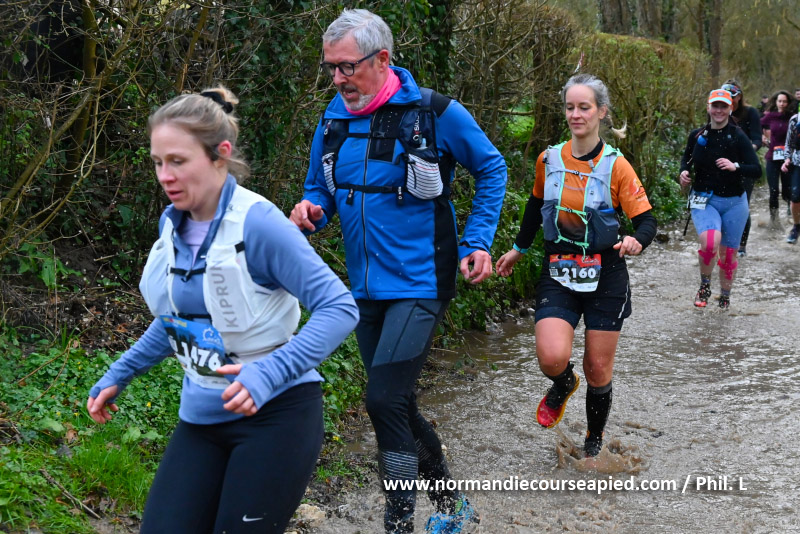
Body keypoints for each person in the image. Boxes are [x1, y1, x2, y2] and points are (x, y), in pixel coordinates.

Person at [87, 87, 359, 533]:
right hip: (201, 417)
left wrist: (268, 373)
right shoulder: (172, 226)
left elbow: (339, 307)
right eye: (158, 162)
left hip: (277, 416)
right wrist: (121, 372)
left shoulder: (259, 224)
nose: (165, 176)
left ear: (220, 155)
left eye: (178, 161)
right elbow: (181, 321)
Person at [289, 9, 506, 533]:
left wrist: (478, 241)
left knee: (383, 398)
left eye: (347, 67)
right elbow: (320, 188)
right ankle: (454, 509)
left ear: (382, 59)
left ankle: (398, 525)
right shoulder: (334, 118)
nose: (337, 79)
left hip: (421, 279)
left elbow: (492, 167)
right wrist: (311, 209)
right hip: (365, 287)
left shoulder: (434, 112)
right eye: (331, 68)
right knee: (398, 404)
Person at [496, 73, 657, 459]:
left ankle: (592, 442)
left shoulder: (617, 166)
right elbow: (536, 205)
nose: (575, 114)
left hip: (607, 276)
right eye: (570, 107)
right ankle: (564, 383)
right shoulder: (549, 159)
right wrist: (519, 248)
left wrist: (637, 240)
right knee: (551, 356)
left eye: (584, 107)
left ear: (601, 112)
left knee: (598, 368)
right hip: (559, 270)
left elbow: (647, 221)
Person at [679, 89, 761, 309]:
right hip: (703, 199)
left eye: (723, 106)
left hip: (734, 202)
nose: (719, 110)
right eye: (715, 106)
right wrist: (683, 173)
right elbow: (686, 160)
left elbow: (756, 169)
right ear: (708, 108)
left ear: (730, 109)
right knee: (709, 242)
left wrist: (736, 166)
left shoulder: (738, 136)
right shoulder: (697, 135)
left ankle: (725, 297)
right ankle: (704, 286)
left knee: (728, 255)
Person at [721, 80, 762, 257]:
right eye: (726, 96)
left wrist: (747, 149)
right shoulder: (718, 111)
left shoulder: (750, 112)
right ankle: (721, 242)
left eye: (732, 96)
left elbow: (757, 138)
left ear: (739, 97)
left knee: (742, 205)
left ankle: (741, 245)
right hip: (722, 165)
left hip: (744, 165)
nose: (729, 100)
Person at [760, 90, 795, 228]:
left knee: (787, 190)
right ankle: (774, 220)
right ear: (775, 102)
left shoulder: (792, 117)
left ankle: (791, 215)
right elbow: (757, 126)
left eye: (784, 101)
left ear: (788, 103)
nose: (782, 104)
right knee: (773, 190)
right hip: (772, 157)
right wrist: (761, 137)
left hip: (788, 159)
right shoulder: (770, 116)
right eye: (779, 101)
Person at [780, 109, 800, 243]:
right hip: (798, 162)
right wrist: (787, 159)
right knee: (795, 197)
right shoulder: (795, 120)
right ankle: (796, 226)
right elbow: (788, 143)